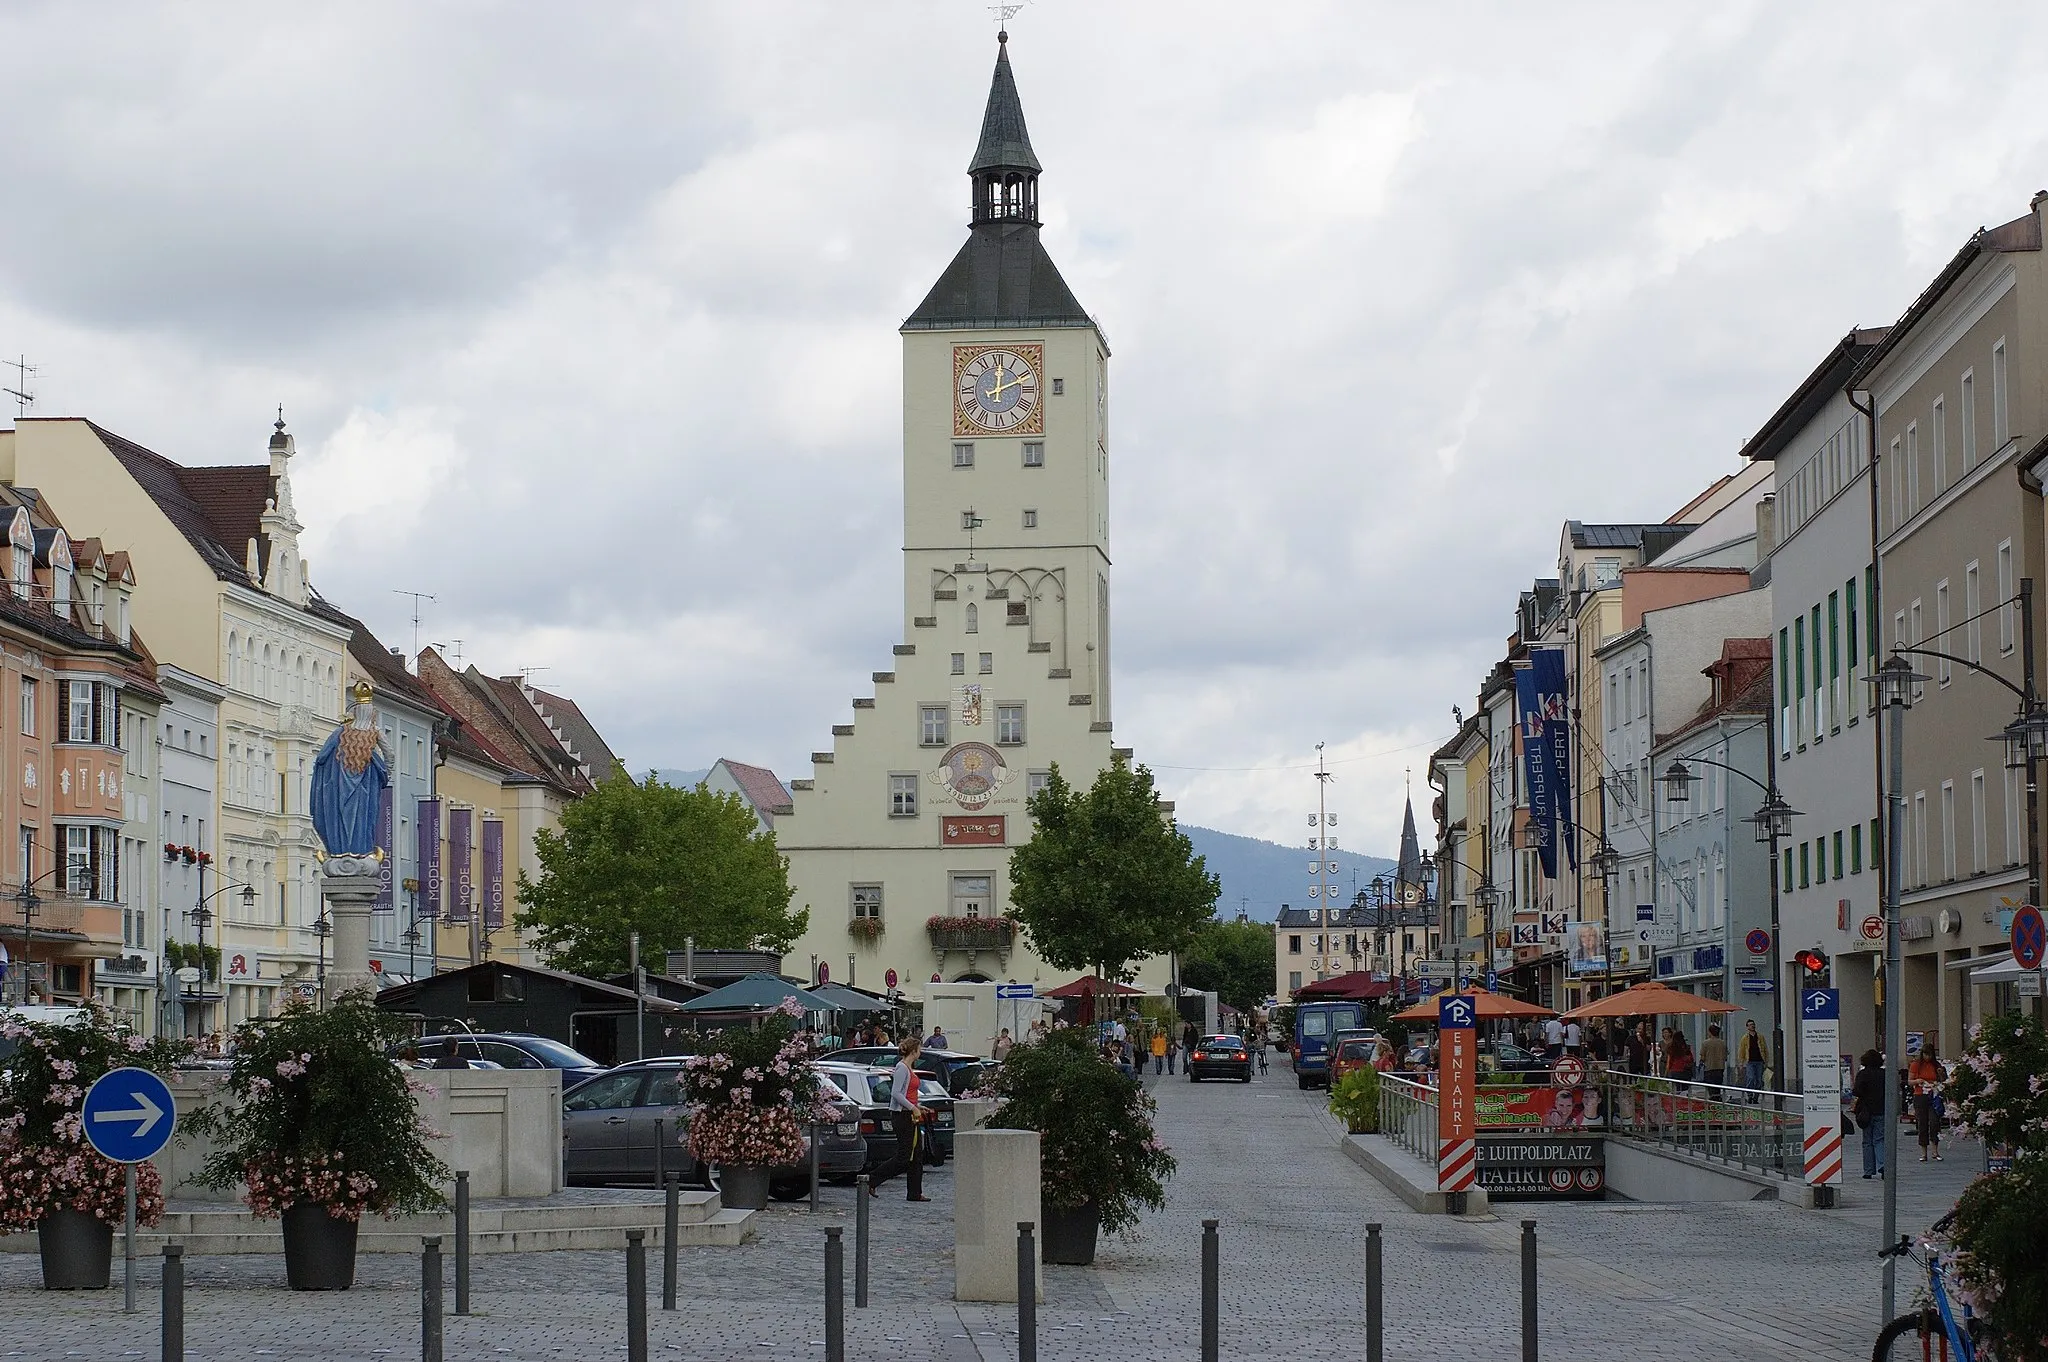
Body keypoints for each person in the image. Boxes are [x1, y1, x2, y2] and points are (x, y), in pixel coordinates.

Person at [870, 1037, 929, 1202]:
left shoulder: (909, 1068)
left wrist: (918, 1106)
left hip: (911, 1114)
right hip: (902, 1115)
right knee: (904, 1156)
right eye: (919, 1049)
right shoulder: (901, 1068)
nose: (921, 1052)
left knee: (916, 1155)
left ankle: (915, 1192)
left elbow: (908, 1094)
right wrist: (912, 1107)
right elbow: (896, 1093)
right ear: (914, 1050)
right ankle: (872, 1179)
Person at [1852, 1049, 1888, 1178]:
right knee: (1879, 1139)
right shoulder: (1884, 1074)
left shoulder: (1863, 1074)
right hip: (1881, 1109)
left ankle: (1868, 1171)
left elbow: (1856, 1091)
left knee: (1867, 1141)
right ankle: (1882, 1164)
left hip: (1865, 1111)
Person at [1909, 1045, 1946, 1162]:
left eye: (1929, 1055)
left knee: (1935, 1122)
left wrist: (1940, 1074)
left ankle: (1935, 1150)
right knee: (1922, 1124)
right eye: (1925, 1054)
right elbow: (1910, 1081)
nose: (1927, 1057)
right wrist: (1917, 1081)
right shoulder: (1916, 1064)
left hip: (1933, 1095)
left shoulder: (1936, 1065)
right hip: (1920, 1095)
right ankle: (1924, 1152)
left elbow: (1943, 1080)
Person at [1737, 1020, 1769, 1095]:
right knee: (1751, 1078)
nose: (1752, 1026)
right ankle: (1750, 1094)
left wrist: (1766, 1061)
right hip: (1750, 1061)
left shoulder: (1760, 1037)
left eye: (1753, 1024)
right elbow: (1741, 1050)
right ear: (1747, 1027)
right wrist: (1741, 1063)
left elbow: (1765, 1049)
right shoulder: (1745, 1038)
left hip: (1759, 1061)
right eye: (1750, 1025)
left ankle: (1756, 1096)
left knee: (1759, 1079)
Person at [1699, 1023, 1728, 1094]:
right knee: (1717, 1087)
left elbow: (1703, 1056)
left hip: (1709, 1068)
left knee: (1710, 1088)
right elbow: (1726, 1056)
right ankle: (1717, 1100)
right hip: (1720, 1068)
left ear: (1710, 1032)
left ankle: (1712, 1101)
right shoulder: (1723, 1043)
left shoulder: (1705, 1043)